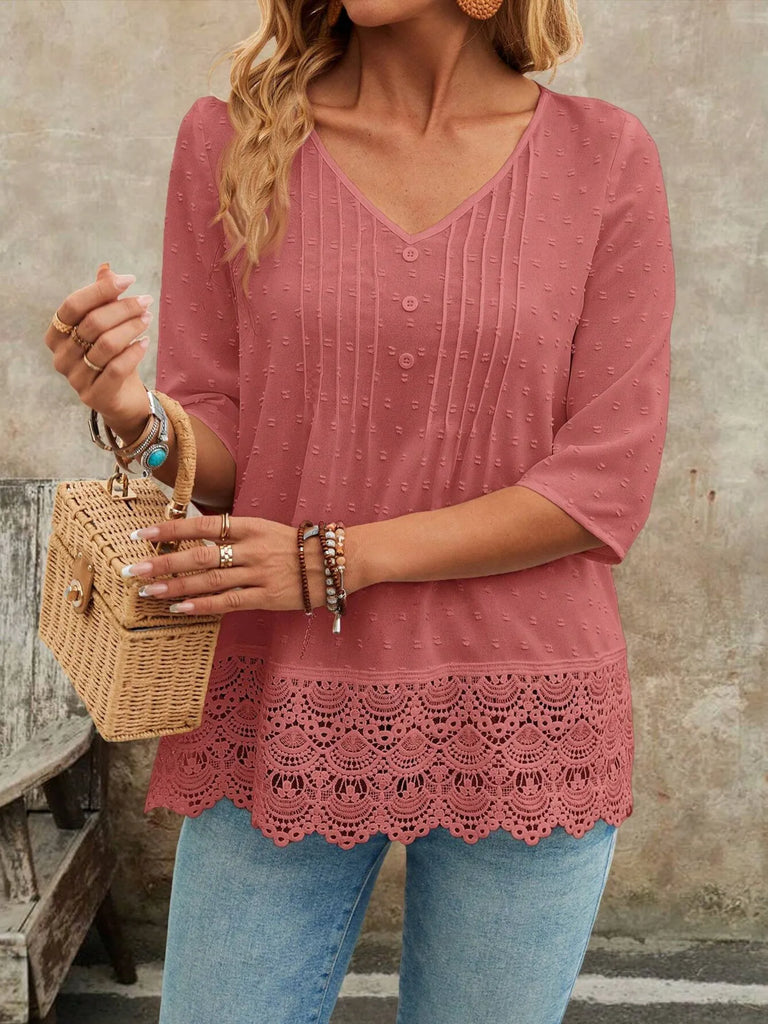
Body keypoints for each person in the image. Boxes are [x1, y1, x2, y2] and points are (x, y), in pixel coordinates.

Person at [45, 0, 676, 1020]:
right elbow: (229, 449)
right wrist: (134, 414)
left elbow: (604, 485)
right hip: (280, 700)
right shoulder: (232, 140)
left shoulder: (604, 158)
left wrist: (331, 559)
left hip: (523, 709)